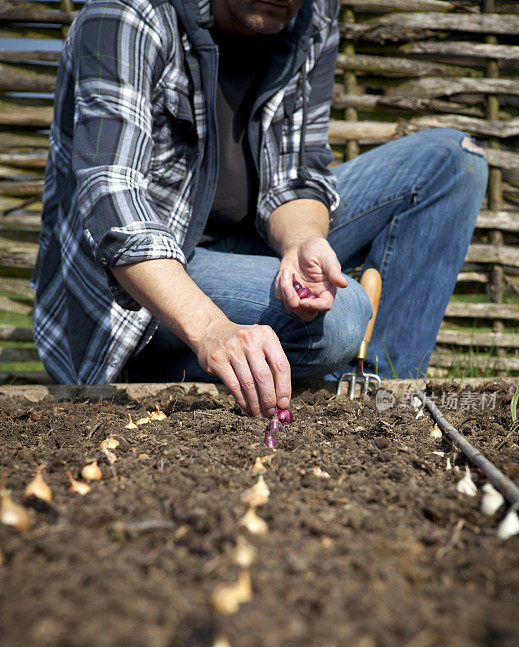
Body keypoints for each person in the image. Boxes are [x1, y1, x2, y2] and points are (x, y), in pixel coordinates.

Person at [33, 0, 488, 417]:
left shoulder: (308, 14)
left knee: (451, 161)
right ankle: (179, 366)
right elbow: (111, 198)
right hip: (150, 274)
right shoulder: (129, 14)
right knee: (344, 317)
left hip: (251, 236)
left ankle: (382, 405)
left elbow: (297, 172)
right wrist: (211, 329)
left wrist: (303, 242)